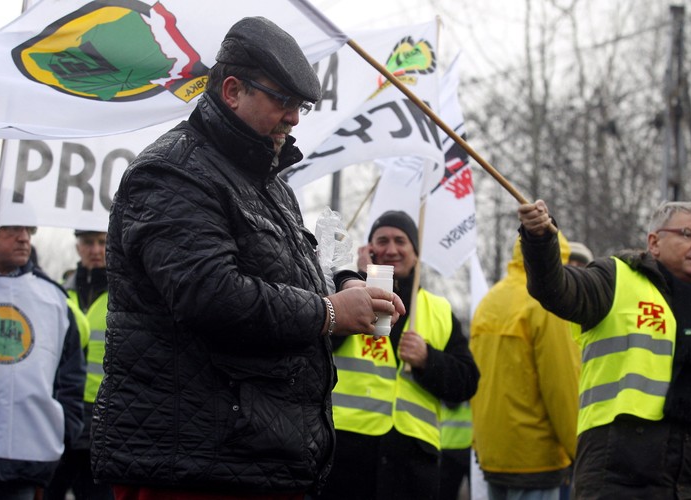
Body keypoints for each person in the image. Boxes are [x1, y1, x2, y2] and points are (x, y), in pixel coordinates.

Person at [90, 17, 404, 500]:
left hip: (250, 459)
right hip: (192, 465)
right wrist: (329, 312)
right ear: (232, 90)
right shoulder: (173, 172)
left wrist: (343, 284)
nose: (295, 117)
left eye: (300, 105)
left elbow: (285, 278)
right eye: (283, 100)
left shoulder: (270, 184)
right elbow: (210, 294)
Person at [517, 200, 691, 499]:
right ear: (654, 242)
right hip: (621, 474)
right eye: (688, 234)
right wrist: (540, 240)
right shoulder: (616, 278)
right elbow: (555, 289)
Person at [320, 210, 480, 500]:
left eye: (400, 241)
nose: (391, 249)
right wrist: (361, 278)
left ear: (416, 253)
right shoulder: (344, 296)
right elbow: (324, 347)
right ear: (368, 249)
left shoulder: (439, 309)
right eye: (382, 240)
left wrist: (428, 360)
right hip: (347, 457)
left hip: (414, 465)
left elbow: (467, 382)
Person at [470, 236, 580, 500]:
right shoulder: (547, 302)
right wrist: (581, 451)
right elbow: (562, 387)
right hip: (535, 456)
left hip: (492, 452)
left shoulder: (489, 301)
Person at [0, 225, 85, 499]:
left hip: (27, 459)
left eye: (28, 230)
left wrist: (63, 433)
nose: (24, 238)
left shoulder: (53, 299)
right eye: (11, 230)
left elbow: (70, 377)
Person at [46, 230, 112, 500]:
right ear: (78, 247)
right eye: (88, 243)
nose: (95, 250)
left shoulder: (125, 294)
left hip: (104, 412)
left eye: (102, 242)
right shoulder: (59, 293)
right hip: (65, 409)